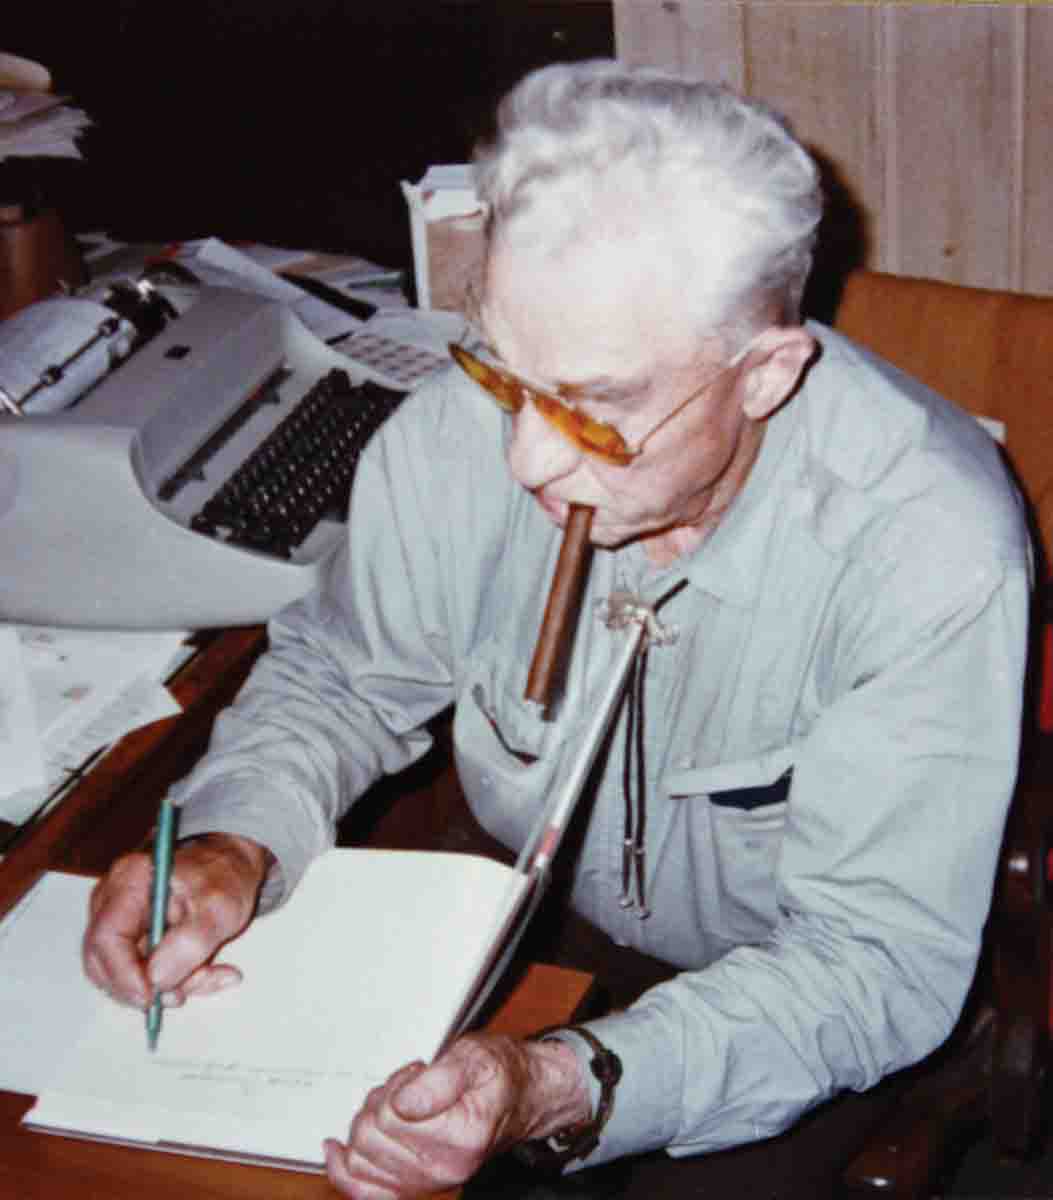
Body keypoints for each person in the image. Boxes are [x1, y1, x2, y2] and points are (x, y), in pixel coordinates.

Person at [82, 61, 1031, 1199]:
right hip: (532, 928)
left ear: (767, 376)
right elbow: (341, 679)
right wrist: (238, 840)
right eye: (504, 373)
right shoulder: (455, 436)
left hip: (787, 999)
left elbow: (867, 964)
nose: (528, 456)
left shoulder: (925, 549)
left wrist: (553, 1085)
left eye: (594, 408)